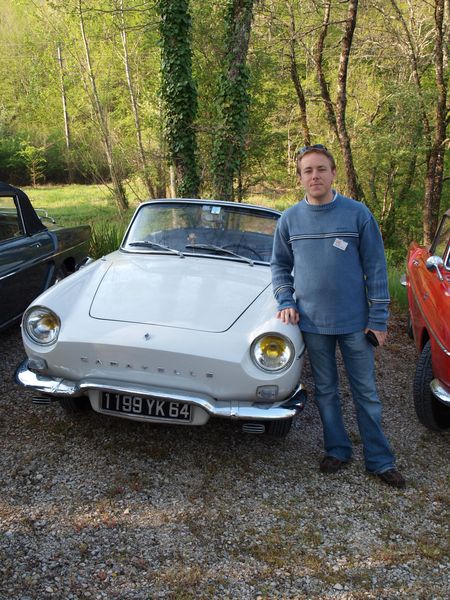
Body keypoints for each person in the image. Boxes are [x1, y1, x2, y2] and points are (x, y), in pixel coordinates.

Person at [271, 144, 405, 489]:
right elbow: (280, 266)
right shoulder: (289, 220)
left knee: (366, 393)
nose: (314, 176)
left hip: (355, 324)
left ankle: (380, 459)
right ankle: (337, 449)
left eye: (321, 169)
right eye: (308, 171)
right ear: (300, 178)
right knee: (326, 391)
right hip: (313, 323)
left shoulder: (357, 214)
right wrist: (285, 299)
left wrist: (378, 319)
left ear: (333, 173)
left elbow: (376, 268)